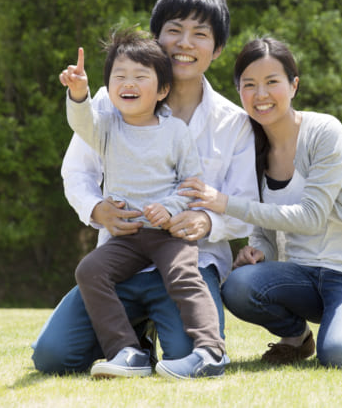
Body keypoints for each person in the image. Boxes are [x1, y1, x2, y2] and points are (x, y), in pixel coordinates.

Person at [31, 0, 257, 379]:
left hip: (191, 259)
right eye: (174, 30)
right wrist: (97, 209)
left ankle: (185, 341)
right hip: (122, 256)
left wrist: (207, 221)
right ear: (156, 37)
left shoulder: (233, 123)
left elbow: (246, 203)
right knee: (53, 357)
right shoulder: (111, 100)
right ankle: (132, 341)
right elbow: (77, 172)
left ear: (218, 49)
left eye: (200, 34)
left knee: (186, 351)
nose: (184, 43)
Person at [180, 37, 342, 369]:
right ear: (239, 91)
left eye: (272, 82)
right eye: (249, 85)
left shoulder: (323, 131)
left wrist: (224, 203)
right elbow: (264, 226)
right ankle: (296, 338)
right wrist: (259, 251)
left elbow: (311, 217)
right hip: (303, 274)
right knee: (237, 286)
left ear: (293, 85)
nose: (261, 94)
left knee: (340, 355)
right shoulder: (250, 145)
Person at [58, 28, 226, 379]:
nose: (128, 83)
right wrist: (79, 93)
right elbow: (81, 122)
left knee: (184, 276)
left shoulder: (175, 131)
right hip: (127, 237)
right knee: (89, 271)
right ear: (109, 87)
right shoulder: (106, 127)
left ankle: (211, 351)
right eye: (119, 76)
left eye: (139, 76)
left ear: (162, 89)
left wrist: (170, 207)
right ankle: (127, 351)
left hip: (168, 234)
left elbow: (191, 185)